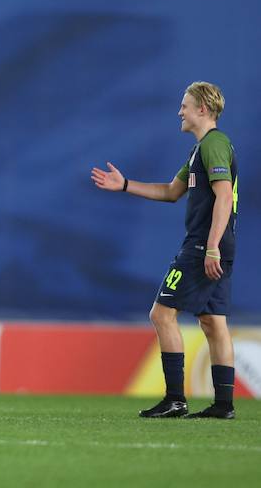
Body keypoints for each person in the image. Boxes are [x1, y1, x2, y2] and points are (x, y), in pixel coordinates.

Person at [92, 81, 238, 419]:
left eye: (185, 105)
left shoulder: (213, 144)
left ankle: (175, 399)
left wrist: (211, 246)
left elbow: (224, 194)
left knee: (161, 314)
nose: (180, 111)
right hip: (216, 243)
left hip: (204, 244)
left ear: (202, 109)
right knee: (214, 322)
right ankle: (224, 405)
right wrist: (125, 184)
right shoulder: (202, 149)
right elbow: (172, 191)